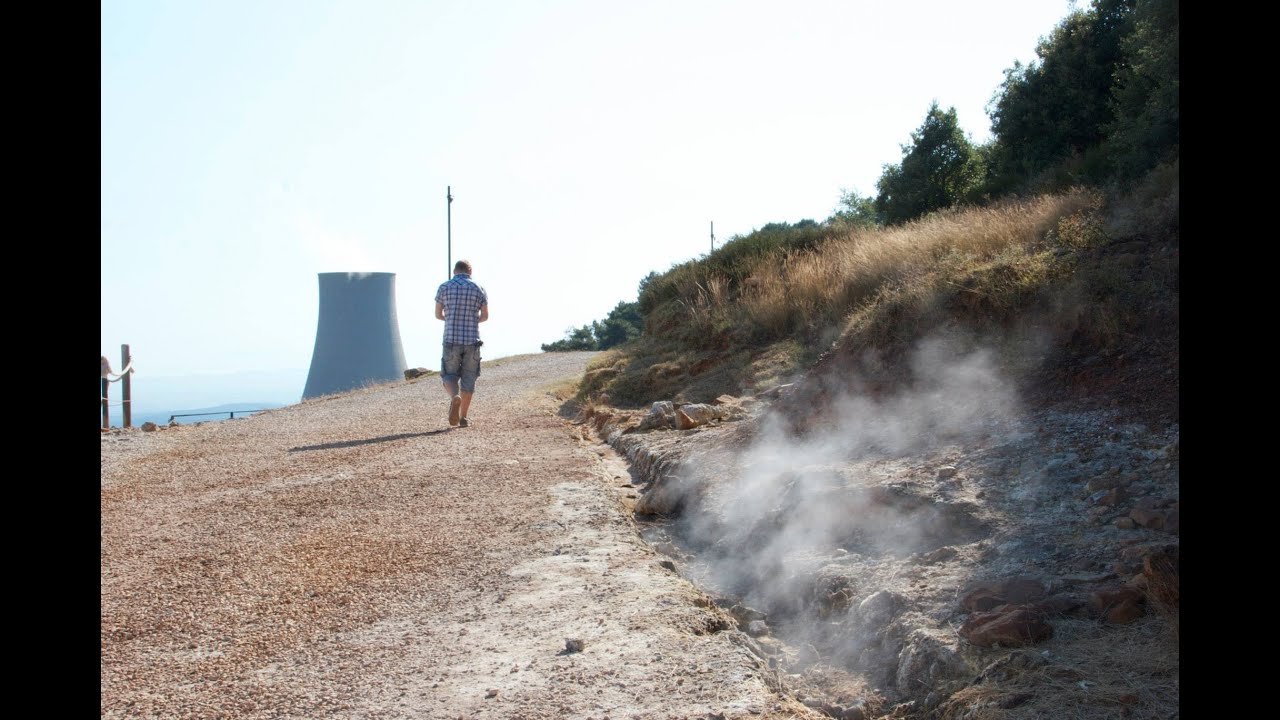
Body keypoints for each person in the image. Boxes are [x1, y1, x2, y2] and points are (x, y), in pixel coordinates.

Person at [435, 259, 489, 427]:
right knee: (469, 378)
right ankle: (463, 417)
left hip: (451, 339)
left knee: (449, 375)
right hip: (472, 341)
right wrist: (472, 321)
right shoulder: (479, 288)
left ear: (454, 271)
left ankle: (454, 397)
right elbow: (485, 316)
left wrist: (450, 318)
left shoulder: (444, 287)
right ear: (470, 271)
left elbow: (438, 314)